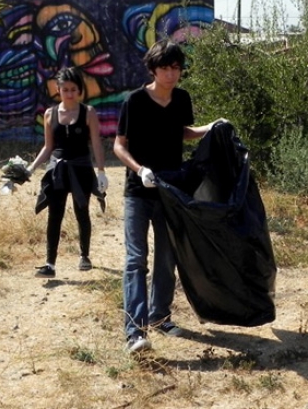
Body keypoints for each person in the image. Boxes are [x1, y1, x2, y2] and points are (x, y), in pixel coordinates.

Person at [113, 38, 226, 353]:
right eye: (165, 67)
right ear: (153, 69)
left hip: (171, 191)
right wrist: (140, 170)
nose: (171, 74)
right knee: (136, 259)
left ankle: (160, 316)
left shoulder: (181, 99)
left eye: (176, 68)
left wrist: (210, 127)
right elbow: (119, 145)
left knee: (167, 257)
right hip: (139, 190)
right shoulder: (134, 101)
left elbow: (182, 131)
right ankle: (135, 331)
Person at [28, 67, 108, 278]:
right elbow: (47, 147)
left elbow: (97, 144)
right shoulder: (49, 114)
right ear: (58, 89)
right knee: (55, 215)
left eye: (74, 89)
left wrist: (101, 172)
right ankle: (50, 264)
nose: (70, 93)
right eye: (66, 89)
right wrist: (31, 168)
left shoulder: (88, 112)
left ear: (80, 90)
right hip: (57, 170)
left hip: (81, 168)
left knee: (82, 211)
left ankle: (84, 255)